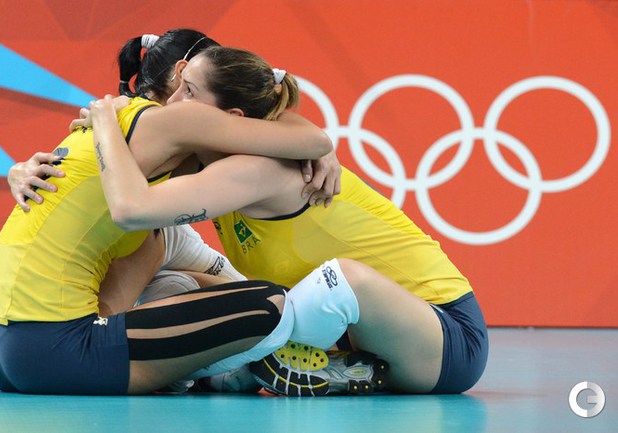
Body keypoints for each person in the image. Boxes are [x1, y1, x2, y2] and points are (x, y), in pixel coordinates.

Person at [82, 45, 489, 396]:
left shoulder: (257, 170)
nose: (170, 105)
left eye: (188, 92)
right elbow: (118, 179)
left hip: (444, 338)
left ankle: (230, 369)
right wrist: (50, 162)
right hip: (361, 341)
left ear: (232, 115)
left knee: (344, 279)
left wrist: (105, 124)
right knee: (186, 284)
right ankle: (256, 366)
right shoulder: (214, 160)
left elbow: (131, 208)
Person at [0, 29, 349, 395]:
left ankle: (212, 371)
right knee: (269, 303)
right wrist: (322, 150)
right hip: (57, 350)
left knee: (171, 269)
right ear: (180, 72)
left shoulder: (118, 128)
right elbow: (310, 139)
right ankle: (227, 372)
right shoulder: (175, 120)